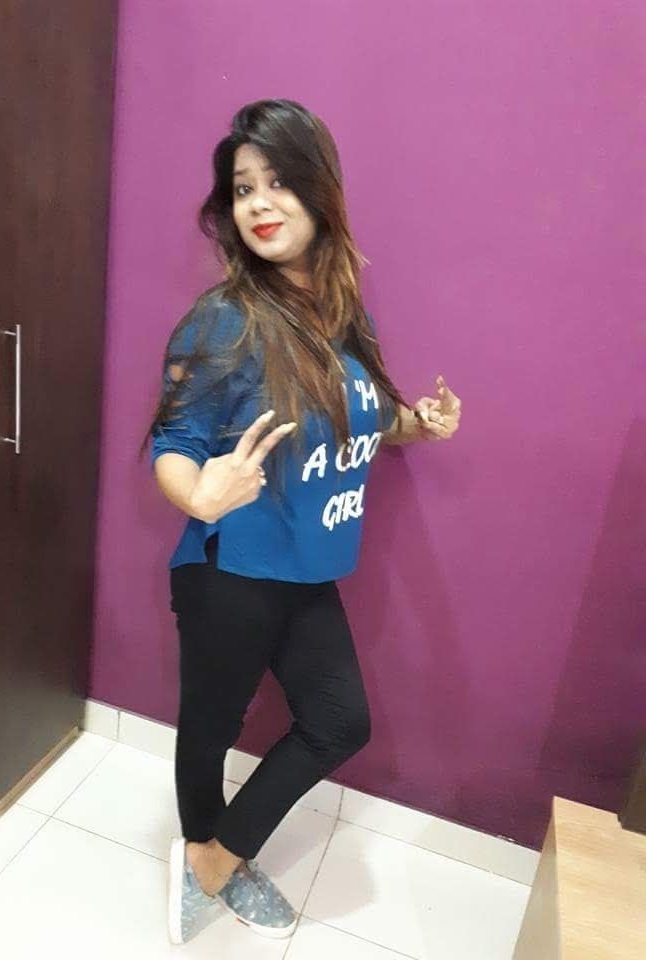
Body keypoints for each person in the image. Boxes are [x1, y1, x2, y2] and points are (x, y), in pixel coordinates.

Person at [140, 99, 461, 945]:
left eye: (278, 181)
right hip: (229, 568)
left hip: (306, 567)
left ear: (320, 191)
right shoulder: (226, 318)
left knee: (338, 723)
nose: (259, 202)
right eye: (243, 187)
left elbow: (361, 418)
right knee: (212, 726)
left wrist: (415, 426)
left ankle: (214, 860)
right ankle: (202, 852)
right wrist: (196, 495)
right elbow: (174, 443)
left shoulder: (345, 320)